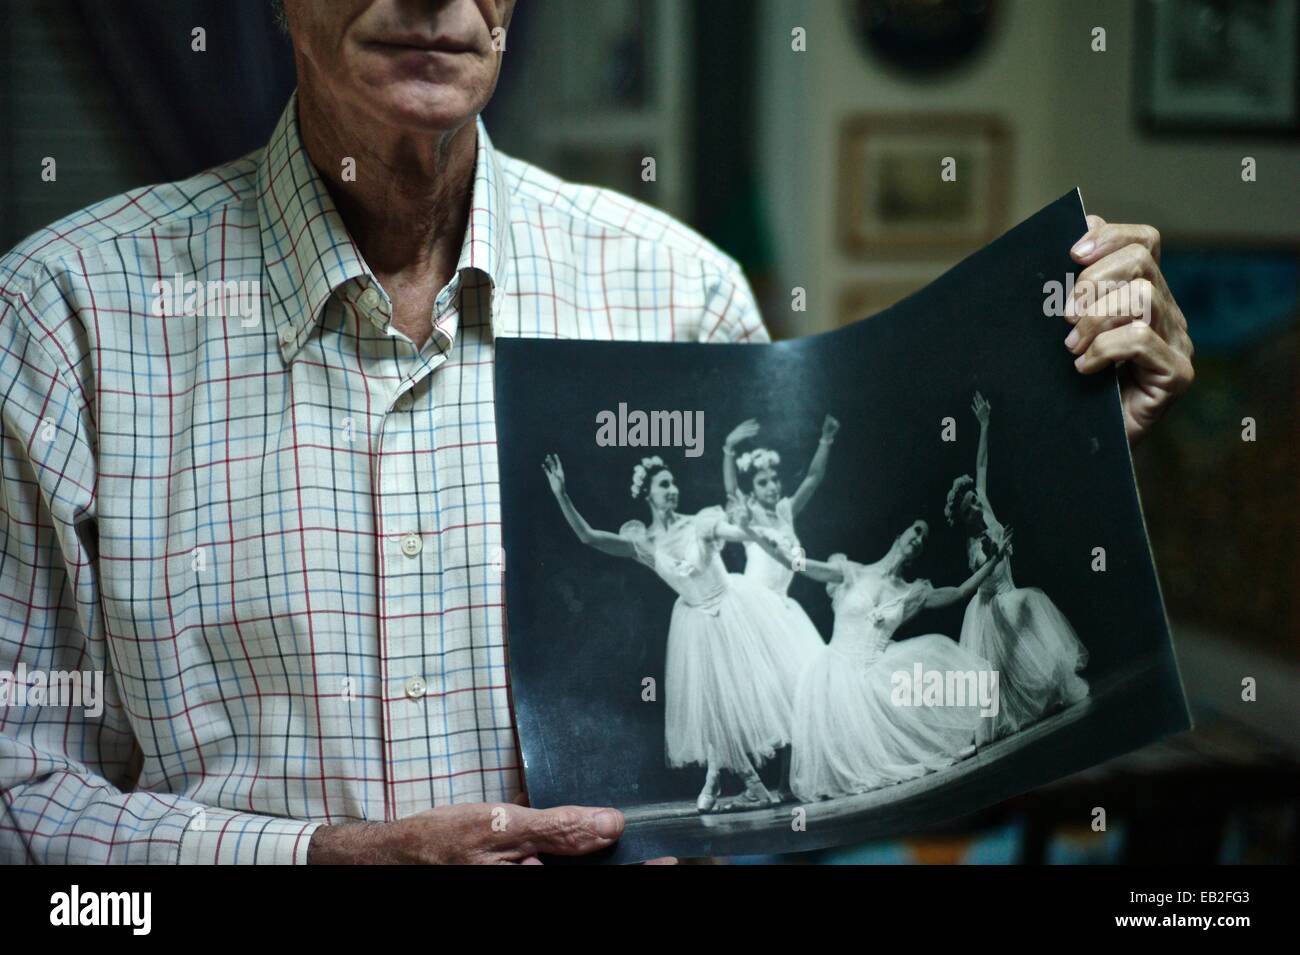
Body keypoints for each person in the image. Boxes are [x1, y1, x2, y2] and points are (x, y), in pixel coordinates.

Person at [0, 0, 1194, 865]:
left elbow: (831, 604)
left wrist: (1079, 430)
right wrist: (317, 863)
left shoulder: (682, 292)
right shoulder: (66, 318)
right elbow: (21, 803)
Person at [542, 453, 811, 813]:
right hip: (696, 623)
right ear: (648, 495)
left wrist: (755, 529)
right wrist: (561, 494)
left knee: (734, 702)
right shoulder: (646, 541)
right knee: (715, 706)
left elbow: (734, 531)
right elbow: (588, 537)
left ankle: (726, 782)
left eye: (674, 483)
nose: (673, 490)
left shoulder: (698, 523)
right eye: (664, 485)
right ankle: (741, 784)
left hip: (732, 610)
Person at [751, 520, 1009, 801]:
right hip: (833, 673)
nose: (920, 538)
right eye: (917, 530)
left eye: (925, 538)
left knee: (932, 657)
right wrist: (757, 536)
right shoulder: (852, 572)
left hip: (874, 670)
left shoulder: (911, 592)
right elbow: (797, 565)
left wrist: (994, 560)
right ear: (901, 534)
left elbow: (958, 594)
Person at [945, 392, 1089, 745]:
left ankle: (1044, 696)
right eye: (969, 509)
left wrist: (984, 424)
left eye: (975, 501)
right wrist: (993, 550)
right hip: (993, 608)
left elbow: (980, 468)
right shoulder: (975, 546)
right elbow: (983, 564)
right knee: (1018, 632)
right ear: (964, 521)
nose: (976, 506)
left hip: (1011, 600)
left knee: (1030, 622)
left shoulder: (988, 510)